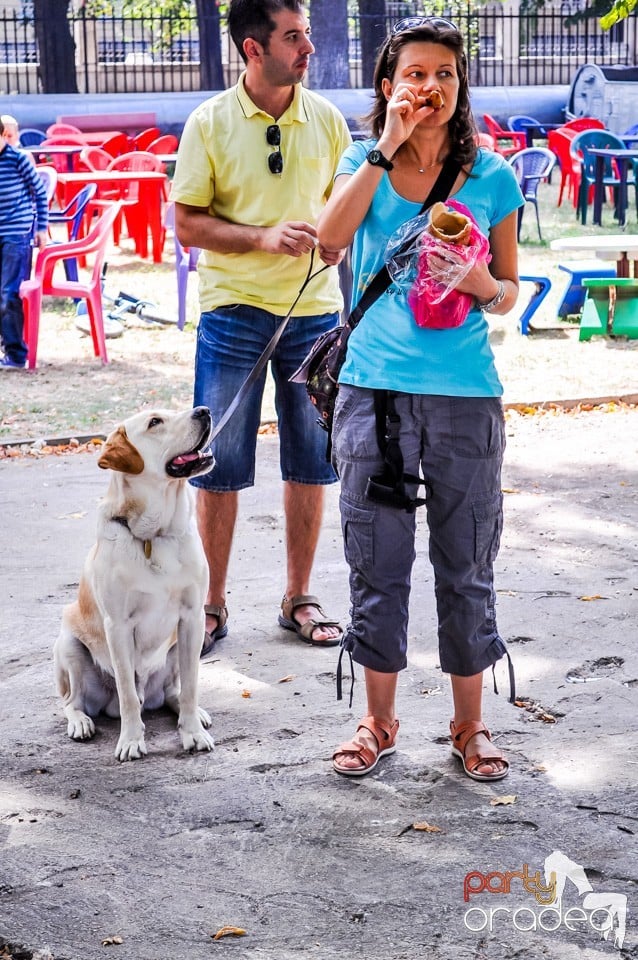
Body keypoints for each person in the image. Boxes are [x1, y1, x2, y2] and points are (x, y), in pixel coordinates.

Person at [317, 17, 524, 780]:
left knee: (466, 559)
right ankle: (377, 720)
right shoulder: (358, 159)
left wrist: (480, 285)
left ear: (459, 85)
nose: (429, 85)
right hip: (372, 392)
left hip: (465, 396)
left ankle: (470, 726)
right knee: (377, 560)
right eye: (414, 74)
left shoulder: (493, 176)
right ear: (388, 85)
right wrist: (382, 148)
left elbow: (508, 290)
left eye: (443, 73)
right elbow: (330, 240)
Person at [170, 0, 352, 655]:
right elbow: (186, 223)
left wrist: (337, 239)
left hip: (314, 316)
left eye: (306, 34)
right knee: (215, 467)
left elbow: (347, 205)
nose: (309, 48)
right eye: (293, 37)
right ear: (254, 49)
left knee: (312, 461)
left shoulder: (327, 119)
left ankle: (299, 598)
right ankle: (210, 606)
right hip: (233, 317)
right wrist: (261, 237)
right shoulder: (210, 122)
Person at [0, 117, 48, 370]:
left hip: (15, 233)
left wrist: (41, 228)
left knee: (8, 294)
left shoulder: (17, 159)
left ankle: (16, 354)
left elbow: (39, 192)